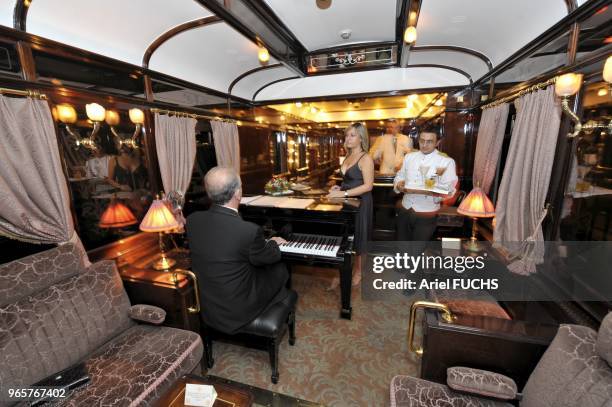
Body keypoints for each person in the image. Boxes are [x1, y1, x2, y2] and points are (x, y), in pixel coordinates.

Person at [186, 166, 290, 334]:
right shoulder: (248, 230)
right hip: (237, 312)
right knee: (280, 269)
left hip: (209, 306)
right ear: (238, 193)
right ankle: (278, 300)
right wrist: (272, 242)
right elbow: (269, 257)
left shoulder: (192, 221)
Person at [327, 122, 374, 288]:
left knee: (360, 239)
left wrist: (343, 193)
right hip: (348, 201)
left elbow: (368, 185)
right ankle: (344, 270)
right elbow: (350, 180)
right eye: (347, 135)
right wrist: (340, 187)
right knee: (346, 239)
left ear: (361, 138)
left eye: (352, 135)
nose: (348, 138)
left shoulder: (365, 158)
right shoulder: (347, 156)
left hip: (361, 202)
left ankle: (359, 272)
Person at [394, 131, 458, 243]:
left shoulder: (446, 161)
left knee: (417, 251)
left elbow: (450, 189)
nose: (424, 145)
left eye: (429, 141)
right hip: (405, 209)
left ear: (437, 142)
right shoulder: (409, 157)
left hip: (427, 213)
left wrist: (433, 194)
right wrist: (399, 184)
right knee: (402, 248)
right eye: (422, 141)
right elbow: (400, 176)